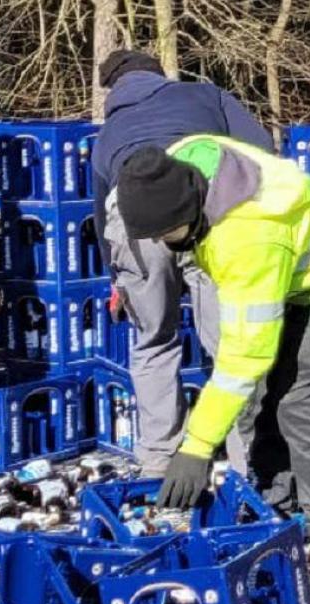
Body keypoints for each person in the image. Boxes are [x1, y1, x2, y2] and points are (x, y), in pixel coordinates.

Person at [116, 137, 310, 529]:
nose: (162, 241)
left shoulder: (247, 236)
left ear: (188, 212)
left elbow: (245, 358)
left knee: (298, 402)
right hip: (288, 268)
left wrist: (196, 447)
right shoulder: (185, 159)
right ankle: (275, 506)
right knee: (257, 399)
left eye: (167, 232)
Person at [91, 50, 277, 479]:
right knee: (229, 343)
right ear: (162, 75)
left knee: (153, 339)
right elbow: (263, 149)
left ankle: (157, 460)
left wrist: (115, 277)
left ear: (113, 90)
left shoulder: (110, 131)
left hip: (133, 223)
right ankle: (247, 458)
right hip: (206, 209)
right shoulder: (205, 95)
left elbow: (104, 212)